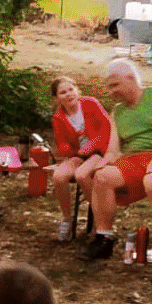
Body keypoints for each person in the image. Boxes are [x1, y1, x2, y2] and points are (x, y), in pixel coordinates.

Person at [83, 59, 152, 274]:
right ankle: (104, 238)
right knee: (102, 177)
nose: (112, 91)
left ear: (131, 78)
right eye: (109, 86)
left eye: (115, 85)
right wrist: (100, 164)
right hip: (137, 159)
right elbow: (114, 151)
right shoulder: (118, 111)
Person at [47, 76, 112, 243]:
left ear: (77, 90)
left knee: (82, 175)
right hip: (78, 155)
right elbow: (61, 143)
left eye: (71, 89)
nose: (69, 94)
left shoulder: (90, 103)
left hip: (100, 151)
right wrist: (67, 150)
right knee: (58, 176)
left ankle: (99, 220)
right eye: (63, 92)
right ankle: (67, 219)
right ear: (56, 98)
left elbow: (107, 129)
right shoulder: (58, 117)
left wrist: (91, 145)